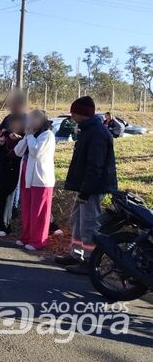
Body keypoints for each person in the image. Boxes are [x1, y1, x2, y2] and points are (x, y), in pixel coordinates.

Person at [56, 96, 118, 275]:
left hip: (93, 187)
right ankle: (76, 255)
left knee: (89, 224)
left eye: (74, 113)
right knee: (77, 220)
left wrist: (86, 190)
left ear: (83, 114)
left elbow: (95, 166)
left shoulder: (97, 133)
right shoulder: (87, 130)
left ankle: (90, 262)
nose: (72, 116)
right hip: (85, 186)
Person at [13, 110, 56, 251]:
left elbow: (36, 152)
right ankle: (26, 236)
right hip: (27, 178)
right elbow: (18, 151)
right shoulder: (31, 135)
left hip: (41, 179)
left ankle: (38, 241)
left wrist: (30, 136)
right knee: (27, 210)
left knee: (39, 212)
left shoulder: (47, 135)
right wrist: (27, 136)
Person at [0, 116, 25, 237]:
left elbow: (24, 151)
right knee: (3, 198)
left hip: (18, 169)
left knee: (11, 196)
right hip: (3, 169)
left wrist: (20, 139)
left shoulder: (26, 138)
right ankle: (3, 226)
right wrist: (1, 143)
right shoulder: (5, 136)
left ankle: (51, 225)